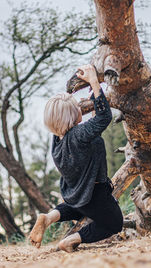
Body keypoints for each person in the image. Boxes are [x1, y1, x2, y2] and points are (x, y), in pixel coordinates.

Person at [29, 64, 123, 252]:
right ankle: (72, 240)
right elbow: (104, 118)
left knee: (76, 207)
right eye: (77, 107)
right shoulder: (79, 135)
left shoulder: (57, 139)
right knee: (113, 224)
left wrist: (97, 97)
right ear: (73, 116)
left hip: (75, 193)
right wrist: (94, 82)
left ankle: (48, 218)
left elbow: (89, 129)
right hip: (95, 195)